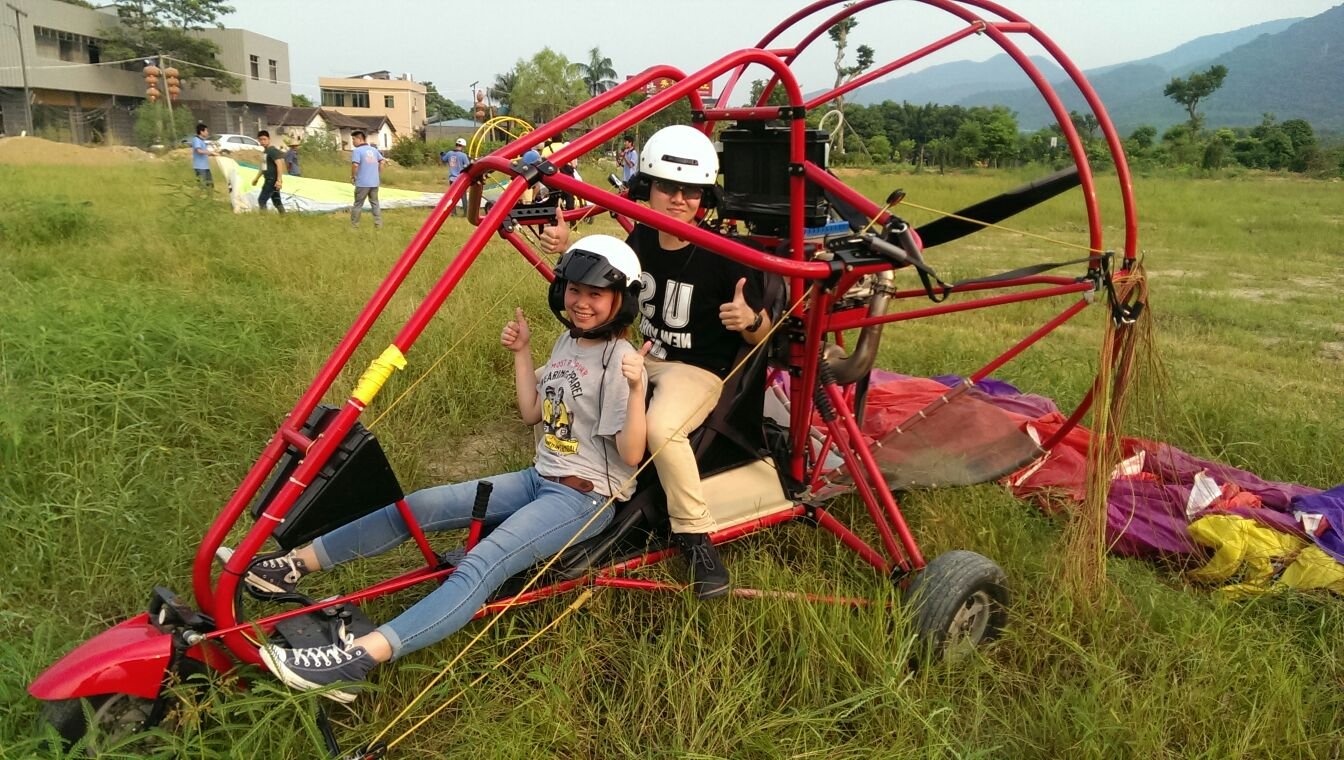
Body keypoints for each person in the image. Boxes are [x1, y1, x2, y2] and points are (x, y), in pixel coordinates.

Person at [239, 236, 651, 702]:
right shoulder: (568, 340)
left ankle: (355, 660)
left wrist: (637, 390)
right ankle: (293, 565)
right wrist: (522, 353)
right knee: (420, 505)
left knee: (481, 564)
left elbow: (631, 454)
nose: (581, 302)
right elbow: (532, 413)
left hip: (583, 499)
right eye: (574, 290)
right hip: (539, 477)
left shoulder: (621, 360)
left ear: (621, 301)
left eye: (595, 294)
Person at [541, 125, 771, 599]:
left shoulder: (723, 255)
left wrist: (749, 320)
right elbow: (601, 277)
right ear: (649, 188)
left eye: (691, 191)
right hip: (642, 356)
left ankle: (694, 535)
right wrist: (566, 247)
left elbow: (764, 331)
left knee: (663, 427)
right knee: (559, 379)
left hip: (697, 370)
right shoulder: (642, 238)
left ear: (704, 197)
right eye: (668, 187)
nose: (679, 199)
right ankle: (564, 485)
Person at [350, 130, 386, 228]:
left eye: (353, 139)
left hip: (362, 183)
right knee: (375, 203)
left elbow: (355, 165)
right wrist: (378, 173)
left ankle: (354, 225)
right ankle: (378, 224)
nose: (353, 142)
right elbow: (382, 161)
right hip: (374, 182)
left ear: (359, 139)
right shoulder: (374, 150)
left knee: (358, 204)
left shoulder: (357, 151)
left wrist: (353, 176)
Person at [250, 130, 286, 214]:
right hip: (268, 179)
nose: (262, 141)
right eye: (260, 139)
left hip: (272, 180)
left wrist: (279, 180)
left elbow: (279, 164)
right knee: (276, 201)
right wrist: (256, 178)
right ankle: (284, 217)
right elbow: (263, 168)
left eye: (264, 139)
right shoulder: (265, 152)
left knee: (261, 200)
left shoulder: (272, 150)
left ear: (269, 139)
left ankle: (264, 218)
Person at [444, 137, 472, 216]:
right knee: (463, 197)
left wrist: (442, 154)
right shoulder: (463, 155)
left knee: (452, 197)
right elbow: (468, 166)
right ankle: (466, 213)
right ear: (462, 146)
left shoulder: (449, 153)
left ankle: (453, 213)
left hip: (452, 179)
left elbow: (444, 159)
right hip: (460, 179)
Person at [190, 123, 214, 190]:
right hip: (200, 168)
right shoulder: (196, 139)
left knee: (210, 186)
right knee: (203, 187)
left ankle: (209, 196)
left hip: (206, 167)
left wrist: (214, 154)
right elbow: (199, 151)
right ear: (201, 132)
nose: (207, 132)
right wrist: (210, 152)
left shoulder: (202, 141)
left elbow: (205, 152)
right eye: (206, 131)